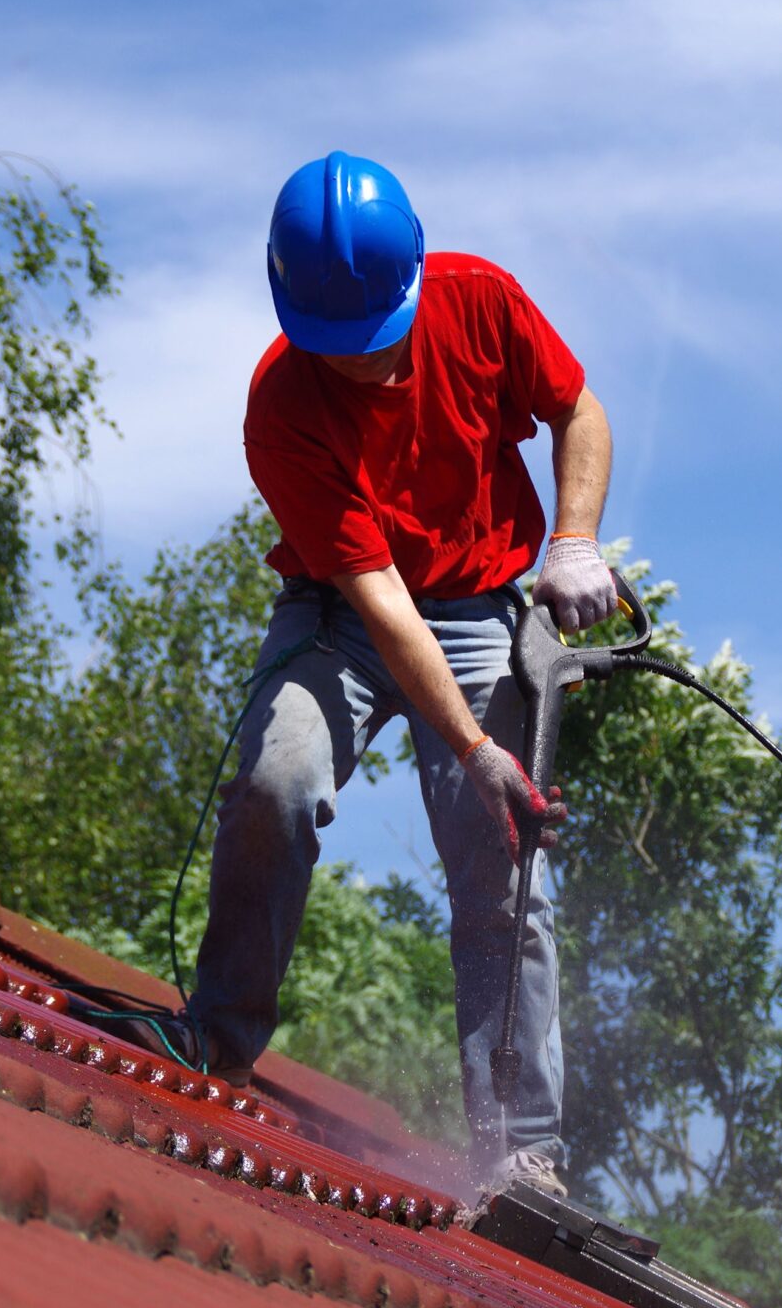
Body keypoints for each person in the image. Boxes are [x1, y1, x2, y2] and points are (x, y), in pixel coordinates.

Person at [185, 150, 614, 1194]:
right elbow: (380, 605)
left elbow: (579, 411)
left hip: (477, 603)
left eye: (379, 342)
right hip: (342, 614)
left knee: (503, 856)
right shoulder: (281, 408)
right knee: (277, 782)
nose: (365, 366)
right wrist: (472, 748)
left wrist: (573, 541)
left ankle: (520, 1147)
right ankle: (219, 1043)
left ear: (415, 285)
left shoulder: (480, 301)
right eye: (341, 349)